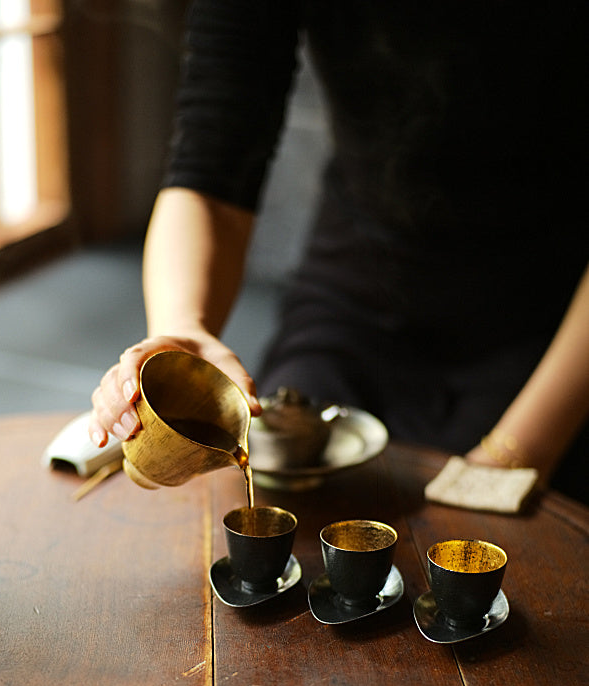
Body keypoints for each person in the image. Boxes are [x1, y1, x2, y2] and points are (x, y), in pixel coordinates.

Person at [89, 0, 589, 503]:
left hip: (552, 319)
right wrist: (181, 332)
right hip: (352, 289)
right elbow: (211, 160)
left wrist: (519, 450)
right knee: (281, 486)